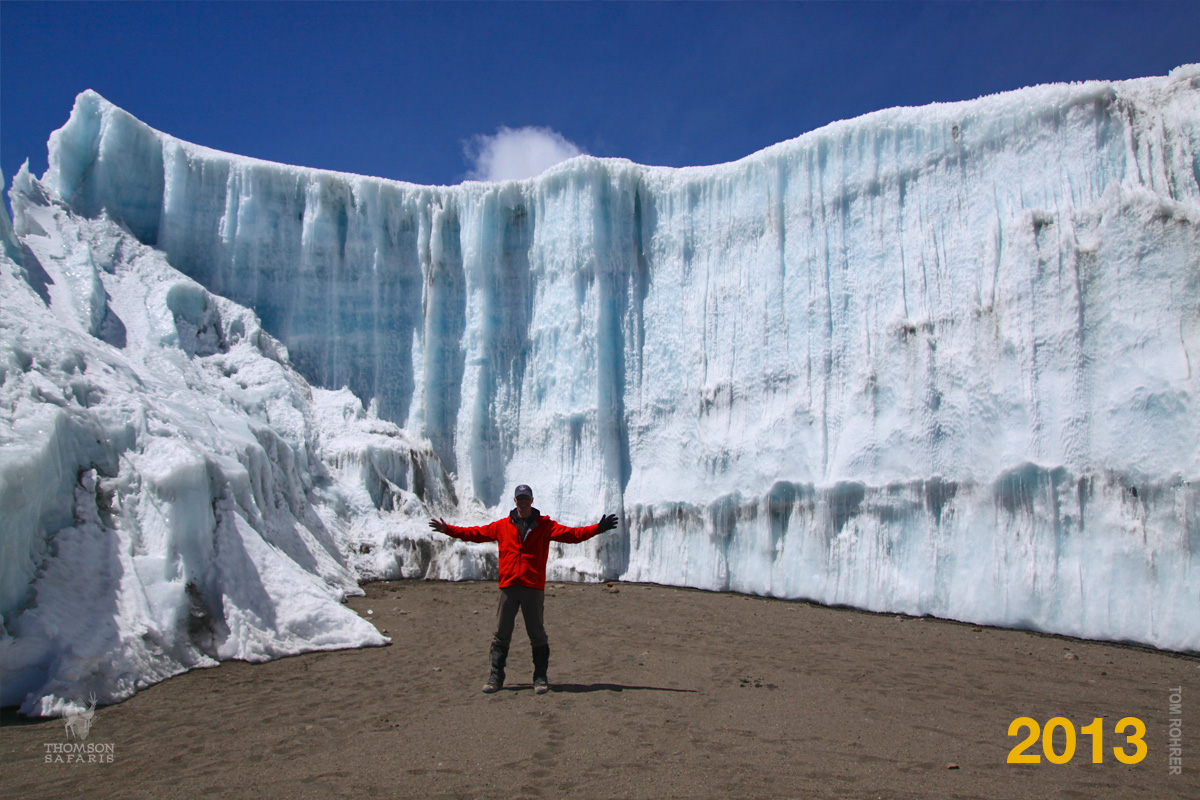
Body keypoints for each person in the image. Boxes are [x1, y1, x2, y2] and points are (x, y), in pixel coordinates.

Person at [429, 484, 619, 694]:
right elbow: (475, 533)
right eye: (519, 498)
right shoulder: (502, 526)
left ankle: (540, 678)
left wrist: (597, 529)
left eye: (525, 498)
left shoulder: (544, 525)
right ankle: (496, 677)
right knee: (502, 633)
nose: (522, 502)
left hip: (532, 586)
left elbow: (572, 535)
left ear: (531, 500)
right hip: (509, 586)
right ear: (515, 501)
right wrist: (449, 530)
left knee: (536, 633)